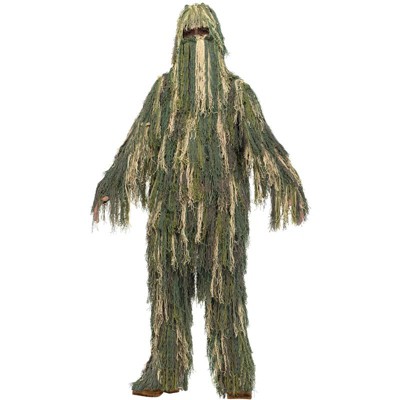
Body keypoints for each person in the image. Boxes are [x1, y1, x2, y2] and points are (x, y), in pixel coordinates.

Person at [91, 3, 309, 399]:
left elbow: (262, 144)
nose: (197, 41)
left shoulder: (238, 95)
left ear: (217, 40)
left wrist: (286, 183)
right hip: (168, 217)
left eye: (203, 34)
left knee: (226, 296)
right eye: (189, 35)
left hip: (222, 221)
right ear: (178, 43)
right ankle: (165, 371)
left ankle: (235, 377)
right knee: (166, 297)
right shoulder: (163, 93)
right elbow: (139, 142)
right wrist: (113, 182)